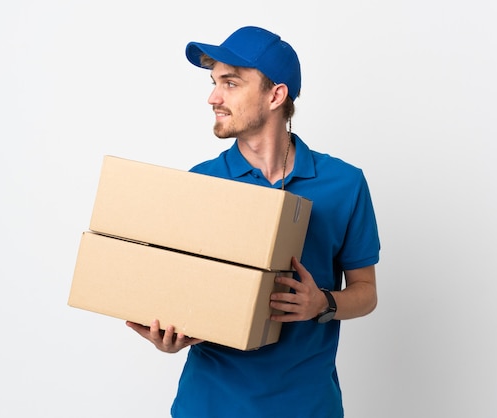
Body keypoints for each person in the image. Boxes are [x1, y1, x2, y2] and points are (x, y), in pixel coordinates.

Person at [126, 26, 380, 418]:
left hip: (307, 407)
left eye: (230, 83)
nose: (213, 97)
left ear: (276, 95)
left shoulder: (344, 183)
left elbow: (366, 292)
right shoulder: (200, 183)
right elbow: (177, 292)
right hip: (210, 406)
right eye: (214, 83)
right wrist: (169, 336)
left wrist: (322, 303)